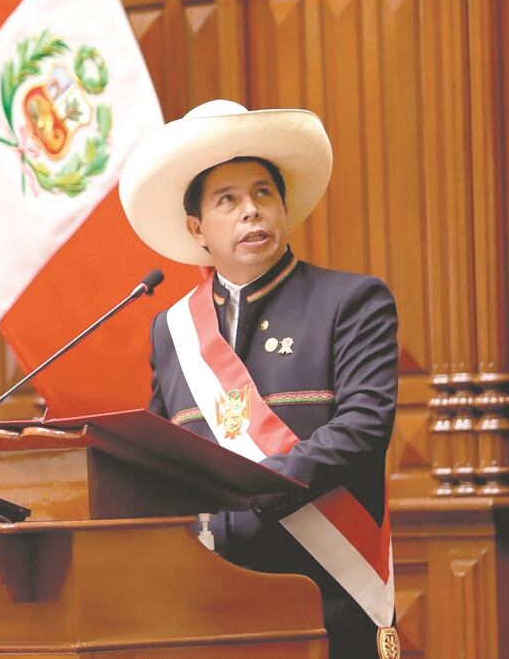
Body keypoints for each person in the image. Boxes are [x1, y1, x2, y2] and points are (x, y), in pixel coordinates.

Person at [118, 99, 400, 659]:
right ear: (197, 228)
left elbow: (363, 427)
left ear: (284, 208)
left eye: (263, 194)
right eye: (229, 200)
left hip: (326, 588)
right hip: (208, 596)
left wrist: (249, 501)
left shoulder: (350, 301)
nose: (251, 211)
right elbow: (160, 456)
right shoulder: (172, 330)